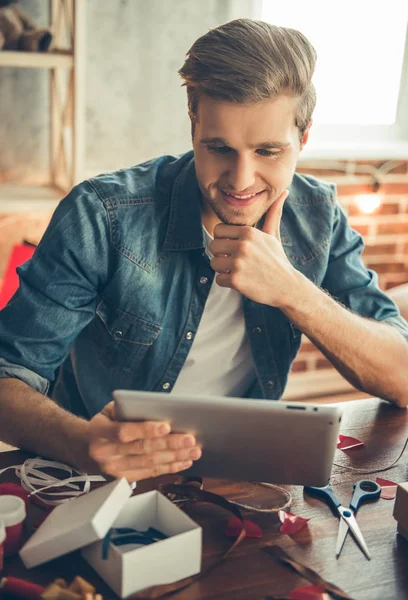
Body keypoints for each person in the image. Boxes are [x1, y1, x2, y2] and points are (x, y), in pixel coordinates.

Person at [1, 19, 408, 483]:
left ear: (304, 138)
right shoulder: (101, 215)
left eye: (268, 152)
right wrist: (82, 444)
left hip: (240, 481)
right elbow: (8, 374)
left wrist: (293, 291)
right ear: (193, 123)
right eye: (219, 148)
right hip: (94, 481)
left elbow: (403, 378)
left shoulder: (319, 215)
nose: (240, 180)